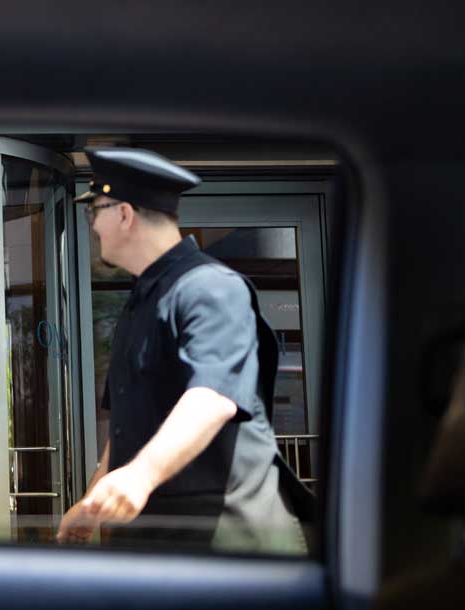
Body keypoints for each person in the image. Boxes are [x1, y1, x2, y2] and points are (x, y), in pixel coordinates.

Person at [56, 147, 310, 553]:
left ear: (124, 215)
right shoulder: (142, 300)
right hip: (162, 536)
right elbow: (128, 422)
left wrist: (139, 475)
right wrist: (93, 500)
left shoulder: (210, 287)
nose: (93, 226)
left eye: (94, 212)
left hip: (230, 539)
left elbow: (212, 399)